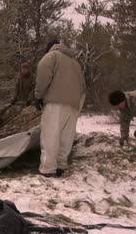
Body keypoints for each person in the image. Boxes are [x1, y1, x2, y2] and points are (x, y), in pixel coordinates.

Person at [34, 40, 86, 177]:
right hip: (74, 105)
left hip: (55, 102)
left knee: (50, 136)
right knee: (65, 137)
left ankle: (47, 169)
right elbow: (82, 85)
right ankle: (60, 166)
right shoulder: (75, 63)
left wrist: (38, 96)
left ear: (49, 47)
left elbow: (43, 75)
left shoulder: (52, 56)